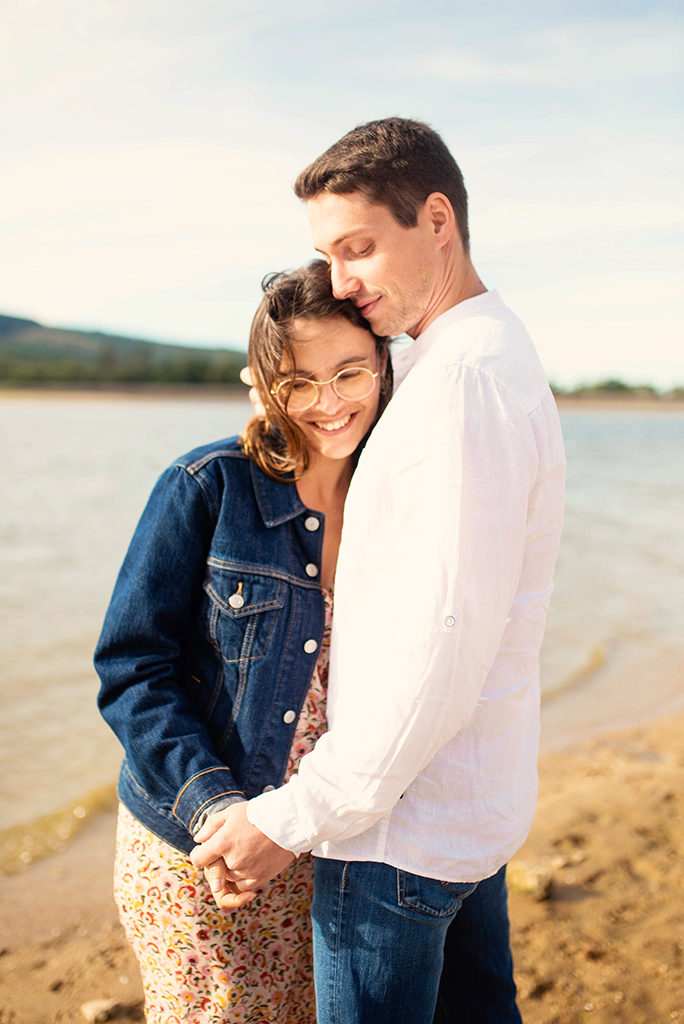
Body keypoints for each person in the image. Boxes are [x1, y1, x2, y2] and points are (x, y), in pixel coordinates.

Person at [191, 117, 566, 1024]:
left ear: (437, 219)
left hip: (398, 840)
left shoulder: (464, 383)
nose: (341, 281)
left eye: (358, 248)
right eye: (326, 254)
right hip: (458, 812)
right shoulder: (462, 358)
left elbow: (438, 647)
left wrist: (288, 819)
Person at [94, 260, 392, 1023]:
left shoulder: (397, 496)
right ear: (263, 384)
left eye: (349, 373)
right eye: (298, 382)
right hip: (202, 847)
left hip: (324, 849)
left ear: (384, 367)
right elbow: (132, 668)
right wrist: (217, 811)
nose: (329, 405)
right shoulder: (206, 484)